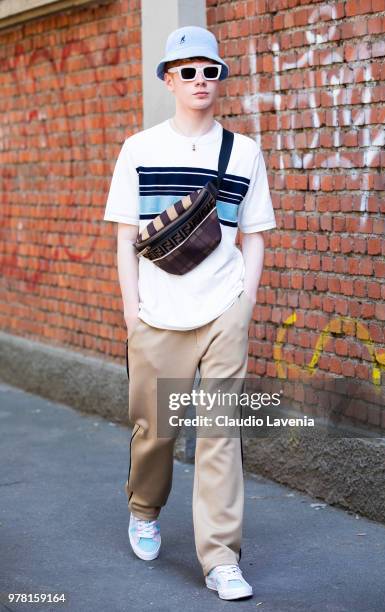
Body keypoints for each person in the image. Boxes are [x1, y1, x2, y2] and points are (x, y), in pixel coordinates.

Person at [103, 25, 276, 601]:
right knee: (156, 432)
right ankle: (144, 509)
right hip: (156, 315)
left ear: (219, 78)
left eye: (211, 70)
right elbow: (126, 236)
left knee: (220, 433)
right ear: (170, 79)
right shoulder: (140, 149)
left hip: (224, 310)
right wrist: (133, 311)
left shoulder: (245, 152)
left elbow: (253, 235)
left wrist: (244, 302)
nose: (201, 80)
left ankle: (221, 557)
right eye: (189, 71)